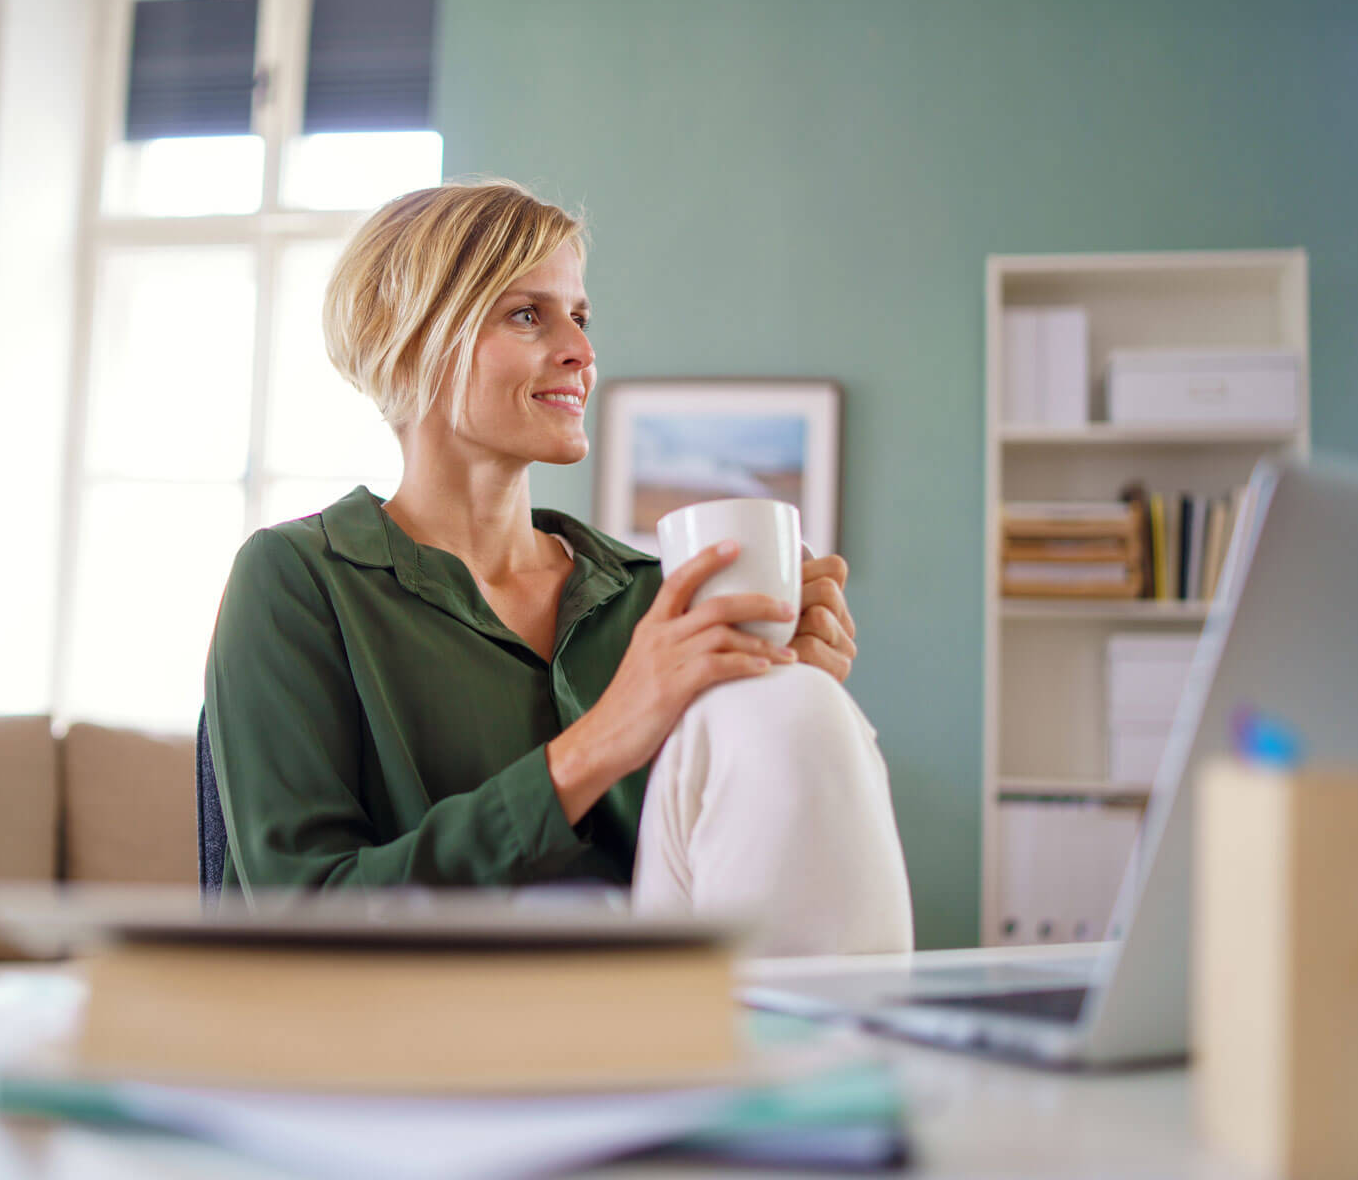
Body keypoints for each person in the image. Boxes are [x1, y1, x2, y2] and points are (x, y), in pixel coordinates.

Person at [202, 179, 913, 956]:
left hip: (655, 998)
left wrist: (775, 698)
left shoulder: (653, 598)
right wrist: (601, 740)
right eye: (526, 315)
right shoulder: (299, 579)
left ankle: (825, 1071)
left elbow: (713, 858)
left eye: (578, 315)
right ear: (411, 340)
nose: (580, 350)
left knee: (796, 707)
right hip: (420, 1008)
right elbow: (297, 920)